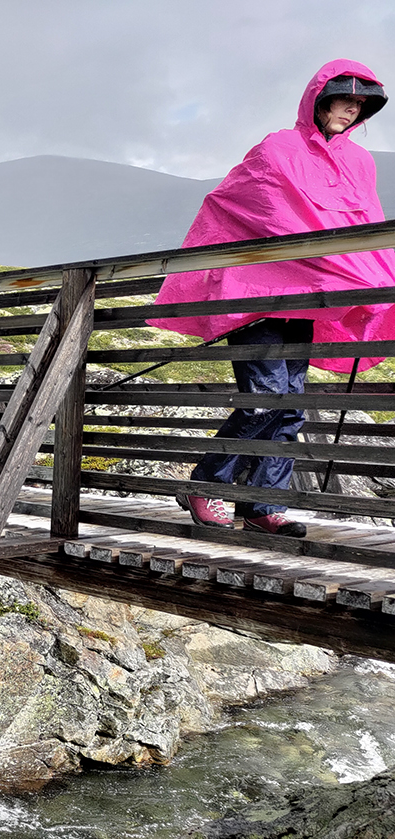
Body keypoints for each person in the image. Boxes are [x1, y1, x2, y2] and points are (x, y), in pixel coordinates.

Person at [150, 60, 395, 538]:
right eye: (344, 97)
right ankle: (207, 483)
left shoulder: (359, 162)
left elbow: (364, 225)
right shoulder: (277, 147)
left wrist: (375, 275)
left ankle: (263, 505)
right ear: (319, 98)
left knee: (290, 407)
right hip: (256, 296)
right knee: (264, 400)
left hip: (307, 299)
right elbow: (242, 206)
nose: (351, 108)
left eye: (360, 103)